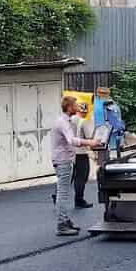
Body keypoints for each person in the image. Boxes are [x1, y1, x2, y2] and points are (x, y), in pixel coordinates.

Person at [53, 95, 99, 236]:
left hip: (65, 159)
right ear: (69, 107)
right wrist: (90, 143)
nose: (77, 107)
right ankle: (62, 224)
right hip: (63, 160)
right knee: (63, 193)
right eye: (75, 105)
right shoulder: (63, 123)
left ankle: (65, 220)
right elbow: (71, 140)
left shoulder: (65, 120)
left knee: (64, 191)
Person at [72, 100, 94, 209]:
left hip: (69, 153)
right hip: (81, 153)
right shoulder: (83, 122)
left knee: (68, 176)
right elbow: (89, 137)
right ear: (85, 112)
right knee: (81, 177)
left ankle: (57, 195)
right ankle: (79, 200)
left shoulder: (69, 120)